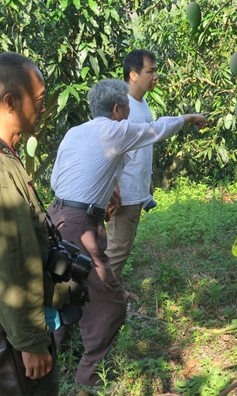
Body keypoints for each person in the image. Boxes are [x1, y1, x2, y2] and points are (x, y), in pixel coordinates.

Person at [47, 78, 206, 393]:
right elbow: (156, 130)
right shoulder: (114, 130)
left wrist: (109, 191)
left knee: (61, 288)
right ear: (118, 109)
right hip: (79, 225)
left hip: (56, 217)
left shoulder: (75, 132)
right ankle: (87, 376)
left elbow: (61, 176)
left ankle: (56, 352)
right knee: (110, 302)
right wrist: (187, 119)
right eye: (127, 110)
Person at [0, 52, 63, 395]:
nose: (43, 108)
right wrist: (32, 343)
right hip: (16, 340)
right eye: (39, 100)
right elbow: (14, 260)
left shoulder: (9, 155)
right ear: (10, 102)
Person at [105, 50, 160, 298]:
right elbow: (108, 152)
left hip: (135, 191)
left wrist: (148, 183)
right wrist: (112, 189)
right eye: (151, 71)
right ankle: (103, 300)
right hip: (122, 194)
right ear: (134, 75)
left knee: (122, 247)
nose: (155, 76)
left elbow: (141, 149)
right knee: (116, 249)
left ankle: (113, 291)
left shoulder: (142, 102)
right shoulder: (121, 108)